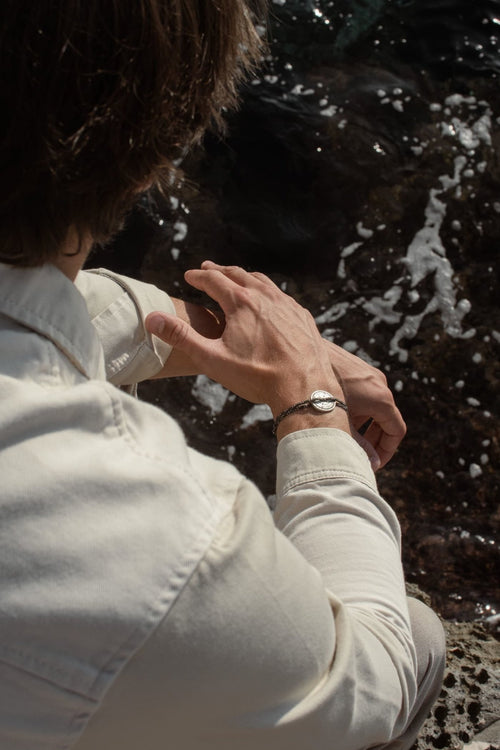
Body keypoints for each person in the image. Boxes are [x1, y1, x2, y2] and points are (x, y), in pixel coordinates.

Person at [0, 2, 445, 749]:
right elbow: (370, 678)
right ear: (155, 154)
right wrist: (312, 407)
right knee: (418, 637)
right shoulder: (161, 535)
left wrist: (209, 330)